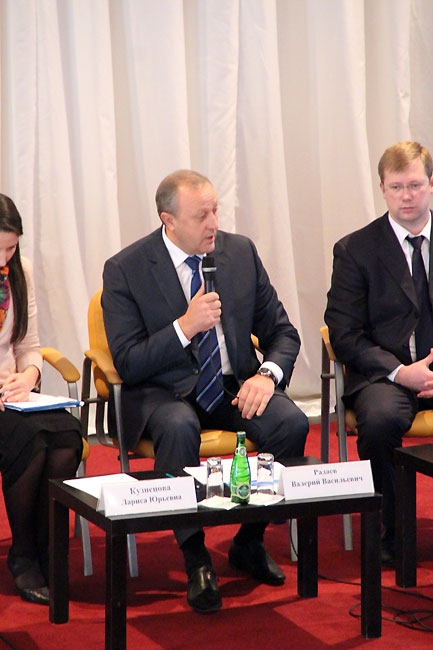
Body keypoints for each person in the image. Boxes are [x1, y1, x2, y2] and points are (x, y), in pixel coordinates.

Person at [102, 169, 309, 613]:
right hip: (164, 394)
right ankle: (195, 555)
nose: (214, 223)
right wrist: (184, 327)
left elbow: (283, 332)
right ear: (169, 220)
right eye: (202, 216)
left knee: (291, 423)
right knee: (179, 426)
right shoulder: (125, 269)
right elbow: (128, 362)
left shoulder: (240, 253)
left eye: (215, 210)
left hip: (234, 387)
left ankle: (249, 539)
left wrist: (266, 375)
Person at [325, 140, 433, 566]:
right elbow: (344, 334)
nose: (407, 196)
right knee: (380, 420)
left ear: (431, 184)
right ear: (382, 189)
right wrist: (400, 372)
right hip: (386, 376)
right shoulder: (356, 249)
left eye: (415, 185)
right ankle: (394, 527)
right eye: (397, 187)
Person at [0, 194, 83, 605]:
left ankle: (49, 551)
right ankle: (23, 553)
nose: (4, 259)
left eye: (11, 248)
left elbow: (29, 344)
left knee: (67, 435)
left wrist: (30, 375)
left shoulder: (21, 272)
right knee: (30, 441)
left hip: (14, 391)